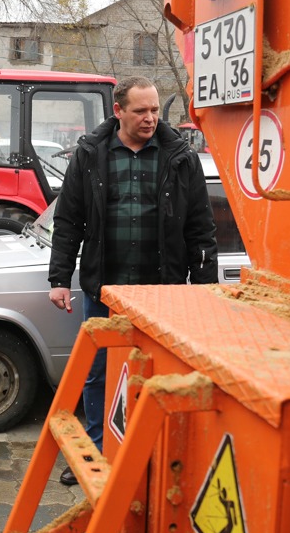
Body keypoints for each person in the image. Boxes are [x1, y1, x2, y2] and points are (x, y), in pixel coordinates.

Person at [48, 75, 217, 485]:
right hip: (105, 287)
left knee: (158, 374)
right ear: (118, 110)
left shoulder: (180, 155)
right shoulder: (90, 154)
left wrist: (206, 288)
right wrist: (59, 277)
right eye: (141, 111)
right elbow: (69, 220)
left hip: (163, 291)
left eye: (155, 109)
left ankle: (151, 453)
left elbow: (201, 227)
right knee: (100, 372)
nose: (150, 118)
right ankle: (97, 451)